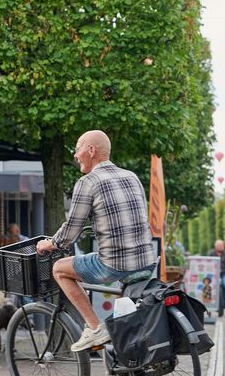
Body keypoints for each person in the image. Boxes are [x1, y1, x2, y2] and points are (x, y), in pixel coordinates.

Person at [36, 130, 156, 352]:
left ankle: (93, 328)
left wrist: (49, 243)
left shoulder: (88, 182)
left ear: (91, 150)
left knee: (60, 269)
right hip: (147, 260)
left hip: (114, 265)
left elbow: (71, 231)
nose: (75, 155)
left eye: (77, 148)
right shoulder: (132, 176)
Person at [208, 239, 225, 311]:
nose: (220, 246)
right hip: (213, 274)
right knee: (209, 287)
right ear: (215, 246)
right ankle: (211, 303)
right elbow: (207, 262)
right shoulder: (211, 253)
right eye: (219, 245)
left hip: (224, 273)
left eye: (222, 245)